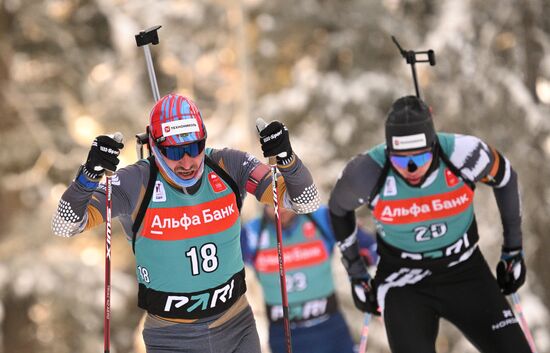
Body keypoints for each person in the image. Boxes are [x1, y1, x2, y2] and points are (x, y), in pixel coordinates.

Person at [52, 93, 320, 353]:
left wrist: (287, 160)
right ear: (154, 146)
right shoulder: (137, 182)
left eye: (194, 147)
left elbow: (305, 201)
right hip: (171, 338)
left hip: (237, 328)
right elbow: (65, 224)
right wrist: (88, 177)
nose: (187, 161)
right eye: (174, 151)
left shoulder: (229, 165)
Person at [328, 95, 532, 353]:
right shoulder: (366, 171)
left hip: (465, 270)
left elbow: (505, 178)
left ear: (434, 145)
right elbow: (338, 209)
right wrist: (356, 274)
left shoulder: (463, 154)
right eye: (401, 160)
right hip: (403, 280)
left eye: (420, 158)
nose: (411, 168)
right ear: (389, 152)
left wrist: (513, 249)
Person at [241, 205, 377, 353]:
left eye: (286, 200)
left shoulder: (322, 218)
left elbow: (370, 245)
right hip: (284, 336)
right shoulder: (251, 233)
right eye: (272, 201)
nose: (281, 208)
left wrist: (361, 261)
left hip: (330, 329)